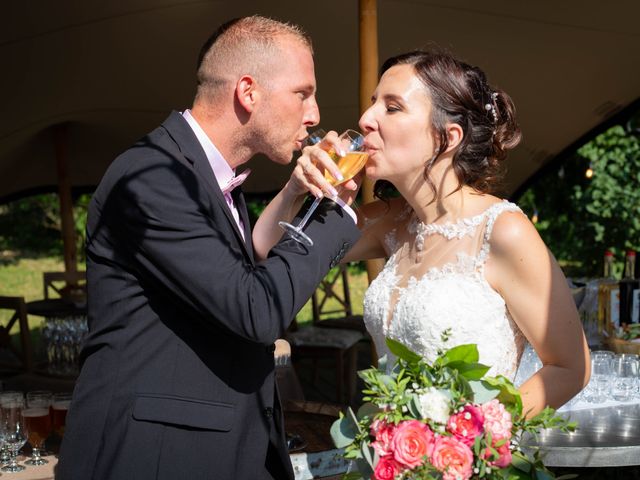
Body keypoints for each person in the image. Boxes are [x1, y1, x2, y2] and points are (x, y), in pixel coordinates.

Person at [56, 16, 361, 480]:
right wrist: (335, 212)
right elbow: (255, 309)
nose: (315, 113)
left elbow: (249, 260)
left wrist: (295, 191)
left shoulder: (203, 175)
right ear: (248, 92)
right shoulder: (151, 177)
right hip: (156, 458)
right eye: (303, 93)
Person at [254, 49, 590, 417]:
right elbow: (271, 248)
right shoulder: (389, 221)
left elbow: (571, 368)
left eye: (392, 107)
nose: (366, 119)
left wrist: (471, 437)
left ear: (447, 138)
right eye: (372, 104)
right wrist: (295, 189)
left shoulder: (503, 230)